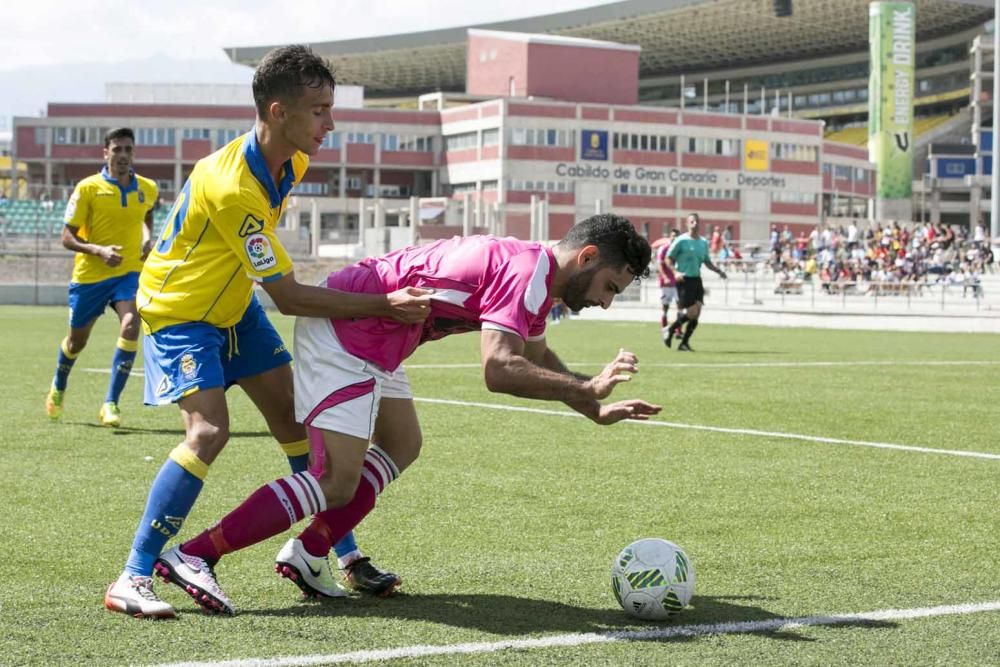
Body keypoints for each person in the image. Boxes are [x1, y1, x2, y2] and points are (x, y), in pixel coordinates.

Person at [151, 214, 661, 615]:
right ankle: (196, 553)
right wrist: (587, 386)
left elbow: (537, 355)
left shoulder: (536, 274)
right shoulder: (529, 272)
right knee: (334, 481)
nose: (606, 303)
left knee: (402, 444)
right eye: (610, 287)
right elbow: (500, 369)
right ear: (588, 256)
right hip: (351, 329)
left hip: (384, 336)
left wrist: (592, 404)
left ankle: (309, 553)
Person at [103, 45, 432, 619]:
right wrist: (385, 303)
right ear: (278, 112)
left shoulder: (294, 160)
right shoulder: (233, 186)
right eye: (319, 110)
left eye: (331, 108)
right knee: (208, 432)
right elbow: (287, 295)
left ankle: (332, 553)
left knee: (297, 425)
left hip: (234, 309)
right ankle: (133, 574)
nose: (331, 123)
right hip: (180, 312)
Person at [44, 128, 157, 427]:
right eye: (117, 149)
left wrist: (148, 239)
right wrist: (97, 249)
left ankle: (111, 403)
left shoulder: (147, 188)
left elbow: (146, 215)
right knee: (76, 342)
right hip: (90, 276)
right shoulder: (87, 188)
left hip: (129, 272)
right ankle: (59, 383)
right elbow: (66, 237)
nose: (122, 155)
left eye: (128, 150)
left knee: (132, 324)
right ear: (105, 152)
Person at [664, 213, 727, 351]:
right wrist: (675, 272)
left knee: (697, 314)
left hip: (697, 279)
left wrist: (719, 271)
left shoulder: (703, 242)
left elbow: (707, 261)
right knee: (692, 312)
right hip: (684, 279)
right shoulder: (681, 240)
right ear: (687, 224)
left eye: (697, 221)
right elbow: (668, 258)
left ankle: (684, 343)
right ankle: (670, 329)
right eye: (692, 221)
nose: (695, 223)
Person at [654, 228, 680, 346]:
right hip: (666, 283)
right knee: (665, 308)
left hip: (678, 283)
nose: (674, 238)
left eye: (676, 236)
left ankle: (678, 331)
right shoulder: (663, 248)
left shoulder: (680, 249)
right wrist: (664, 276)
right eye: (673, 235)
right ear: (670, 236)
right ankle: (665, 329)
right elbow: (659, 264)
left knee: (681, 307)